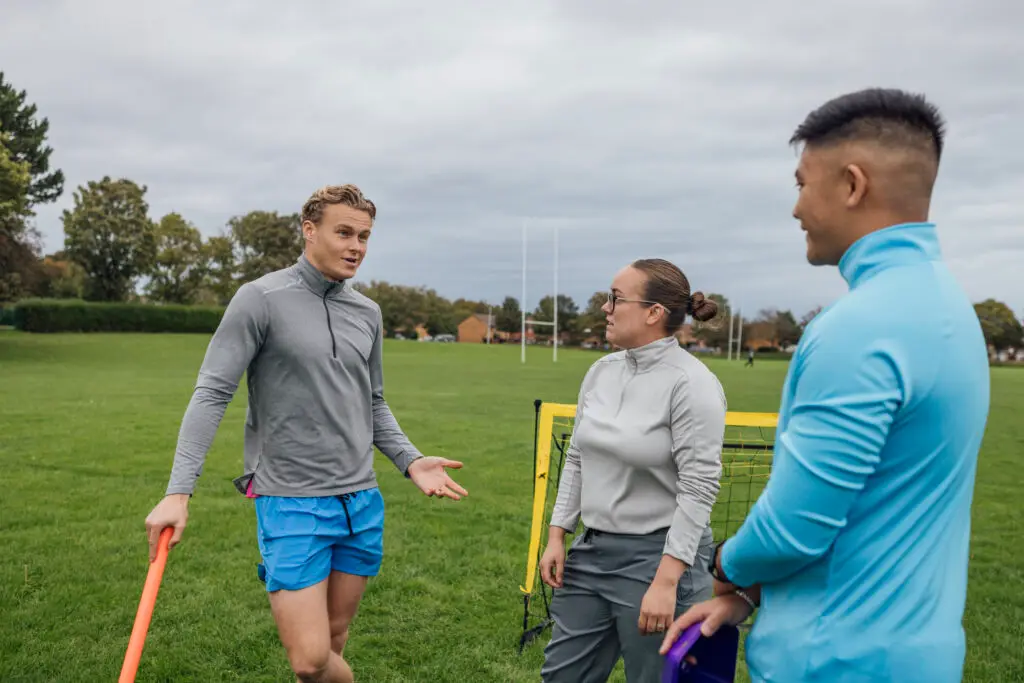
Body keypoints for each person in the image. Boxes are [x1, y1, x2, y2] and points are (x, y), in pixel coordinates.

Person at [660, 88, 991, 683]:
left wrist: (726, 564)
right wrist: (751, 598)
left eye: (801, 183)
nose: (795, 208)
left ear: (852, 184)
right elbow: (873, 507)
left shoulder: (859, 325)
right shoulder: (950, 310)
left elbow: (795, 527)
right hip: (919, 656)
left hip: (832, 662)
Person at [143, 184, 468, 683]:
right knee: (312, 659)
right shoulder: (260, 299)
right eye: (344, 232)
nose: (356, 246)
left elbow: (373, 401)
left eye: (363, 236)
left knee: (334, 641)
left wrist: (410, 459)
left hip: (359, 500)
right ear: (309, 229)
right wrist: (177, 491)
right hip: (291, 500)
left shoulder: (368, 313)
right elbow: (211, 394)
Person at [539, 258, 727, 683]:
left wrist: (666, 581)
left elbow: (699, 488)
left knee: (656, 678)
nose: (605, 307)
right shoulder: (601, 371)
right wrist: (557, 534)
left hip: (660, 559)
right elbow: (578, 456)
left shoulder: (692, 384)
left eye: (615, 298)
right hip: (591, 556)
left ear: (653, 313)